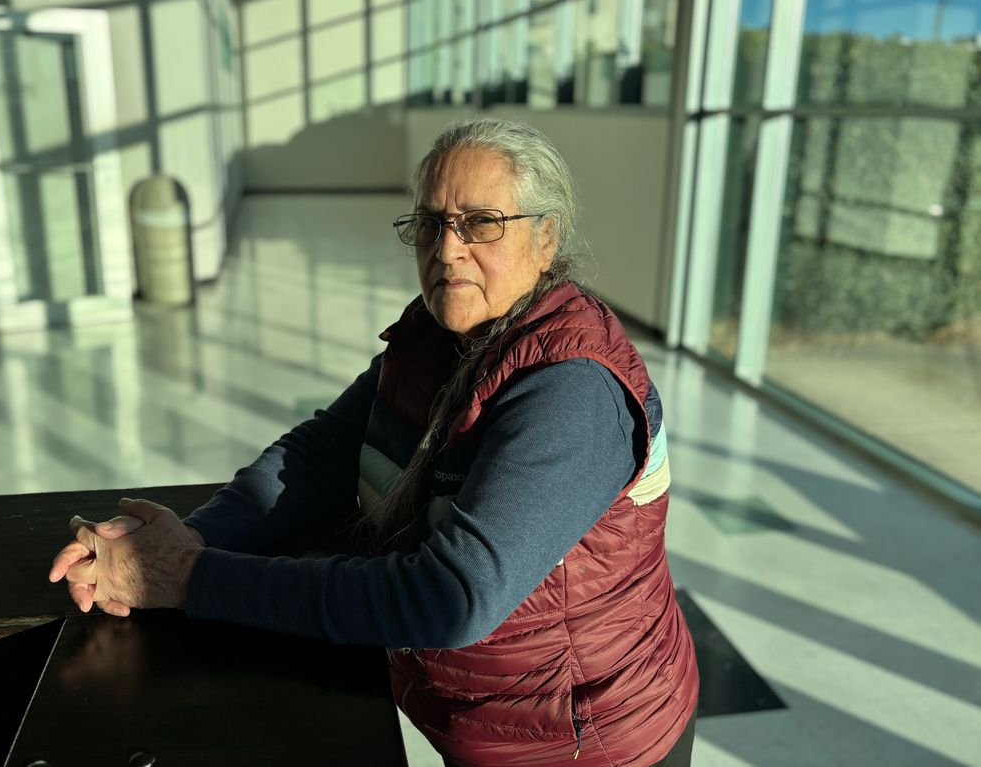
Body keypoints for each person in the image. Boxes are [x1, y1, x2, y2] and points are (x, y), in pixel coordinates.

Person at [49, 119, 699, 766]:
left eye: (480, 223)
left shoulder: (573, 388)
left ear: (546, 236)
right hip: (486, 718)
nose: (447, 250)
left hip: (587, 741)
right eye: (431, 223)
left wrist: (189, 577)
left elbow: (450, 597)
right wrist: (184, 539)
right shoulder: (439, 333)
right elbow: (322, 453)